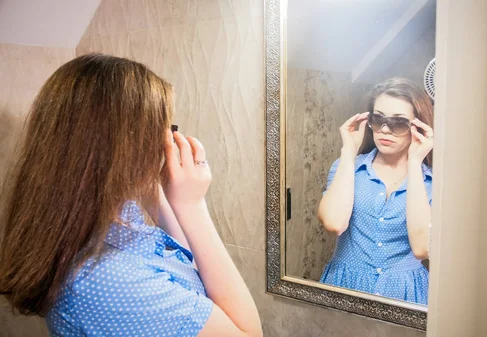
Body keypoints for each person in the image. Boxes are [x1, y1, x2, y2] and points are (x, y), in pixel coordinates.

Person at [0, 53, 263, 337]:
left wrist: (156, 192)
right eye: (158, 134)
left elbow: (187, 271)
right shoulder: (104, 281)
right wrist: (192, 207)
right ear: (124, 149)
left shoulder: (110, 221)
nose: (164, 146)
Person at [318, 77, 434, 305]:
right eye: (378, 119)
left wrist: (414, 162)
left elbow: (422, 248)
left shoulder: (431, 182)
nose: (384, 129)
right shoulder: (348, 168)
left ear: (417, 127)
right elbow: (333, 223)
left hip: (406, 292)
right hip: (346, 286)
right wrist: (349, 151)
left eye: (398, 123)